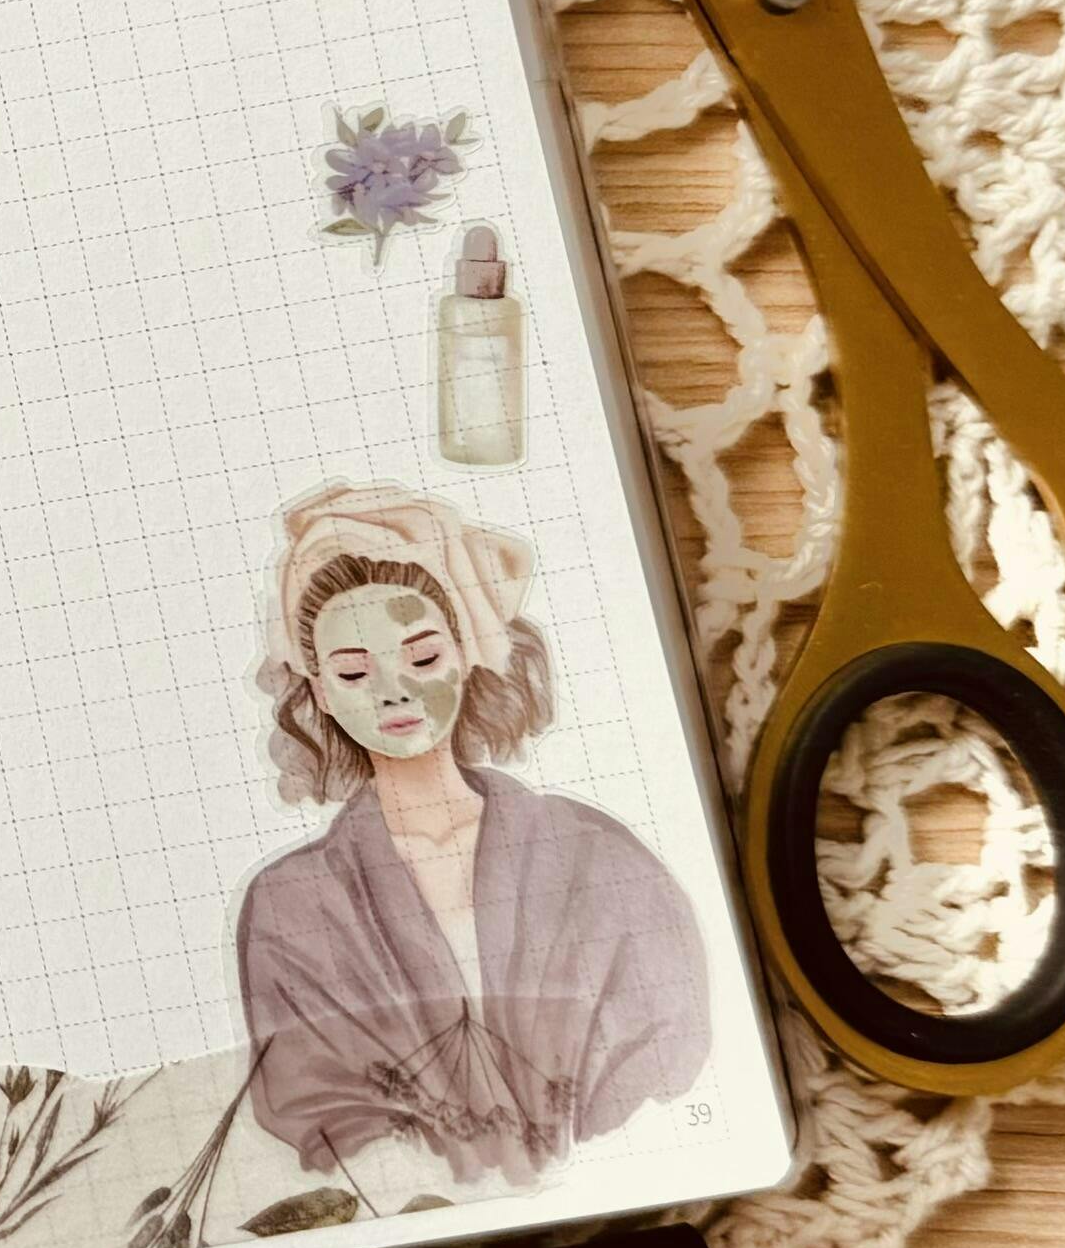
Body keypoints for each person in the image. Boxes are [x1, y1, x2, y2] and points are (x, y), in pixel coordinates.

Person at [227, 480, 708, 1204]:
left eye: (422, 658)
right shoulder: (290, 903)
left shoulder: (597, 855)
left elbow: (671, 1051)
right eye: (354, 671)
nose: (393, 691)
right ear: (319, 691)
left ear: (465, 654)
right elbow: (311, 1107)